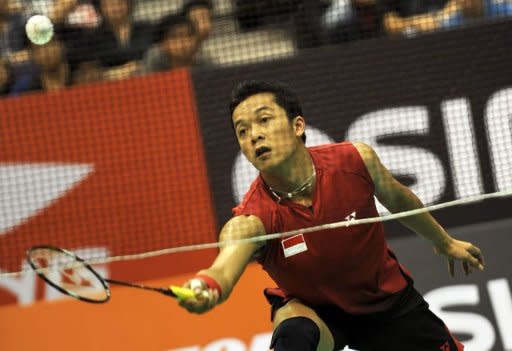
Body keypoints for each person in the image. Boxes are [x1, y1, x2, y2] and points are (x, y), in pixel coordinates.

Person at [177, 80, 485, 350]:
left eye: (264, 121)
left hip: (385, 301)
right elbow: (224, 267)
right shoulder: (251, 220)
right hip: (318, 312)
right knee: (293, 332)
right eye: (242, 131)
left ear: (298, 126)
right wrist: (208, 287)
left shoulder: (354, 161)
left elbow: (397, 197)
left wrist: (443, 242)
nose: (254, 136)